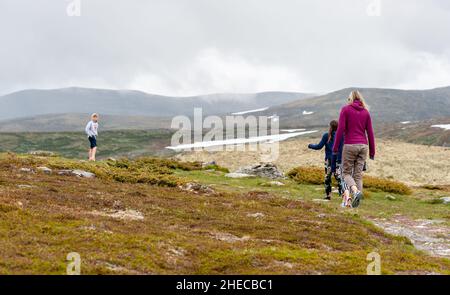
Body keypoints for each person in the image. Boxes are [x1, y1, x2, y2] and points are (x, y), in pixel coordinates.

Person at [333, 90, 375, 208]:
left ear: (350, 99)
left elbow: (340, 129)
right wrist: (372, 152)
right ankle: (356, 206)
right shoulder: (366, 112)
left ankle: (355, 192)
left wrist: (335, 148)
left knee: (346, 173)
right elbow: (370, 133)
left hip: (350, 145)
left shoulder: (345, 109)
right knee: (358, 175)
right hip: (363, 146)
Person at [308, 120, 343, 200]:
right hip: (338, 159)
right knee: (339, 177)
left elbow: (318, 146)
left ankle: (328, 195)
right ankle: (343, 195)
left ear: (330, 127)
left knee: (328, 177)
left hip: (329, 160)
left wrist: (310, 145)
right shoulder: (341, 136)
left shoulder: (326, 135)